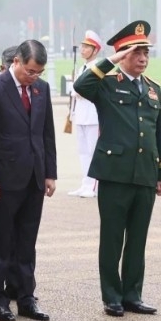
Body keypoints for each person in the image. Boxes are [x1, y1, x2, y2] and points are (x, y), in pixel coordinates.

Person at [72, 20, 161, 318]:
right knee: (113, 238)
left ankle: (132, 294)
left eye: (146, 54)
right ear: (122, 54)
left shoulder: (152, 89)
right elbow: (80, 85)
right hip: (114, 174)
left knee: (137, 239)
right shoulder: (106, 84)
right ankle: (111, 296)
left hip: (144, 174)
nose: (142, 59)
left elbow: (159, 133)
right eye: (136, 53)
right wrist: (111, 59)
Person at [0, 40, 56, 321]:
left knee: (26, 241)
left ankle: (25, 297)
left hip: (33, 177)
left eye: (39, 72)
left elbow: (46, 133)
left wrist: (50, 173)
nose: (34, 76)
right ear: (17, 62)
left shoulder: (42, 88)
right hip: (2, 180)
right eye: (30, 71)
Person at [68, 30, 103, 197]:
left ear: (95, 50)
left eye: (86, 47)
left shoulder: (98, 67)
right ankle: (85, 183)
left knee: (93, 151)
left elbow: (91, 90)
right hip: (82, 114)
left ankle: (94, 186)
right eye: (82, 46)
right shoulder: (82, 67)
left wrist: (76, 90)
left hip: (93, 115)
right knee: (82, 151)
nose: (82, 49)